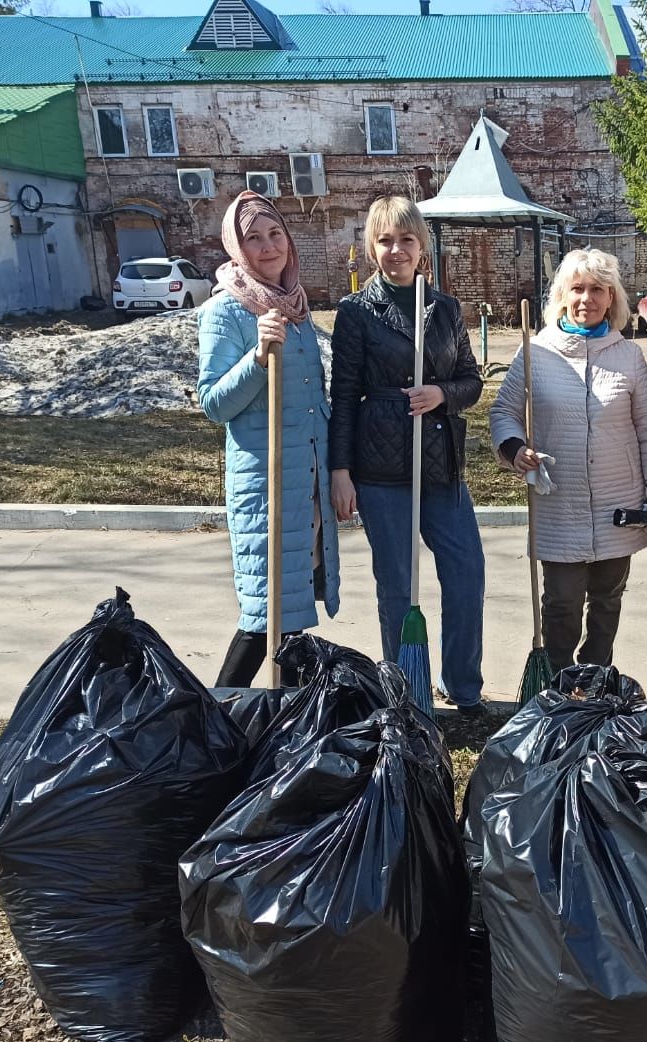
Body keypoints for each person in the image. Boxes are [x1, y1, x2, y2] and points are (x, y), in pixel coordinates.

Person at [328, 196, 487, 715]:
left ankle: (462, 687)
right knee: (396, 584)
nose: (396, 250)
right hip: (379, 470)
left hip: (440, 464)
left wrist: (442, 393)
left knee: (466, 570)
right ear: (373, 247)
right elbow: (344, 395)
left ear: (423, 247)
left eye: (406, 240)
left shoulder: (444, 309)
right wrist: (341, 470)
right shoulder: (355, 312)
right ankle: (405, 690)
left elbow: (472, 381)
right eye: (385, 240)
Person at [490, 248, 647, 673]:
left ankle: (596, 681)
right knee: (562, 603)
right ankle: (555, 685)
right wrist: (516, 449)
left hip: (617, 503)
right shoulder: (537, 351)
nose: (586, 298)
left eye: (597, 290)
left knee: (608, 601)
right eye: (577, 288)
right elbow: (503, 412)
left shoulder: (627, 355)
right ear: (562, 295)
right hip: (560, 502)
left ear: (612, 298)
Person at [197, 190, 339, 687]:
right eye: (252, 237)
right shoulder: (225, 311)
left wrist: (335, 473)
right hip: (266, 481)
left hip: (307, 480)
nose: (267, 245)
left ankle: (291, 723)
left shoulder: (296, 309)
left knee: (292, 611)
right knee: (264, 614)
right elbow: (215, 404)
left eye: (274, 233)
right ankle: (215, 718)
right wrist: (257, 357)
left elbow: (314, 401)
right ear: (237, 247)